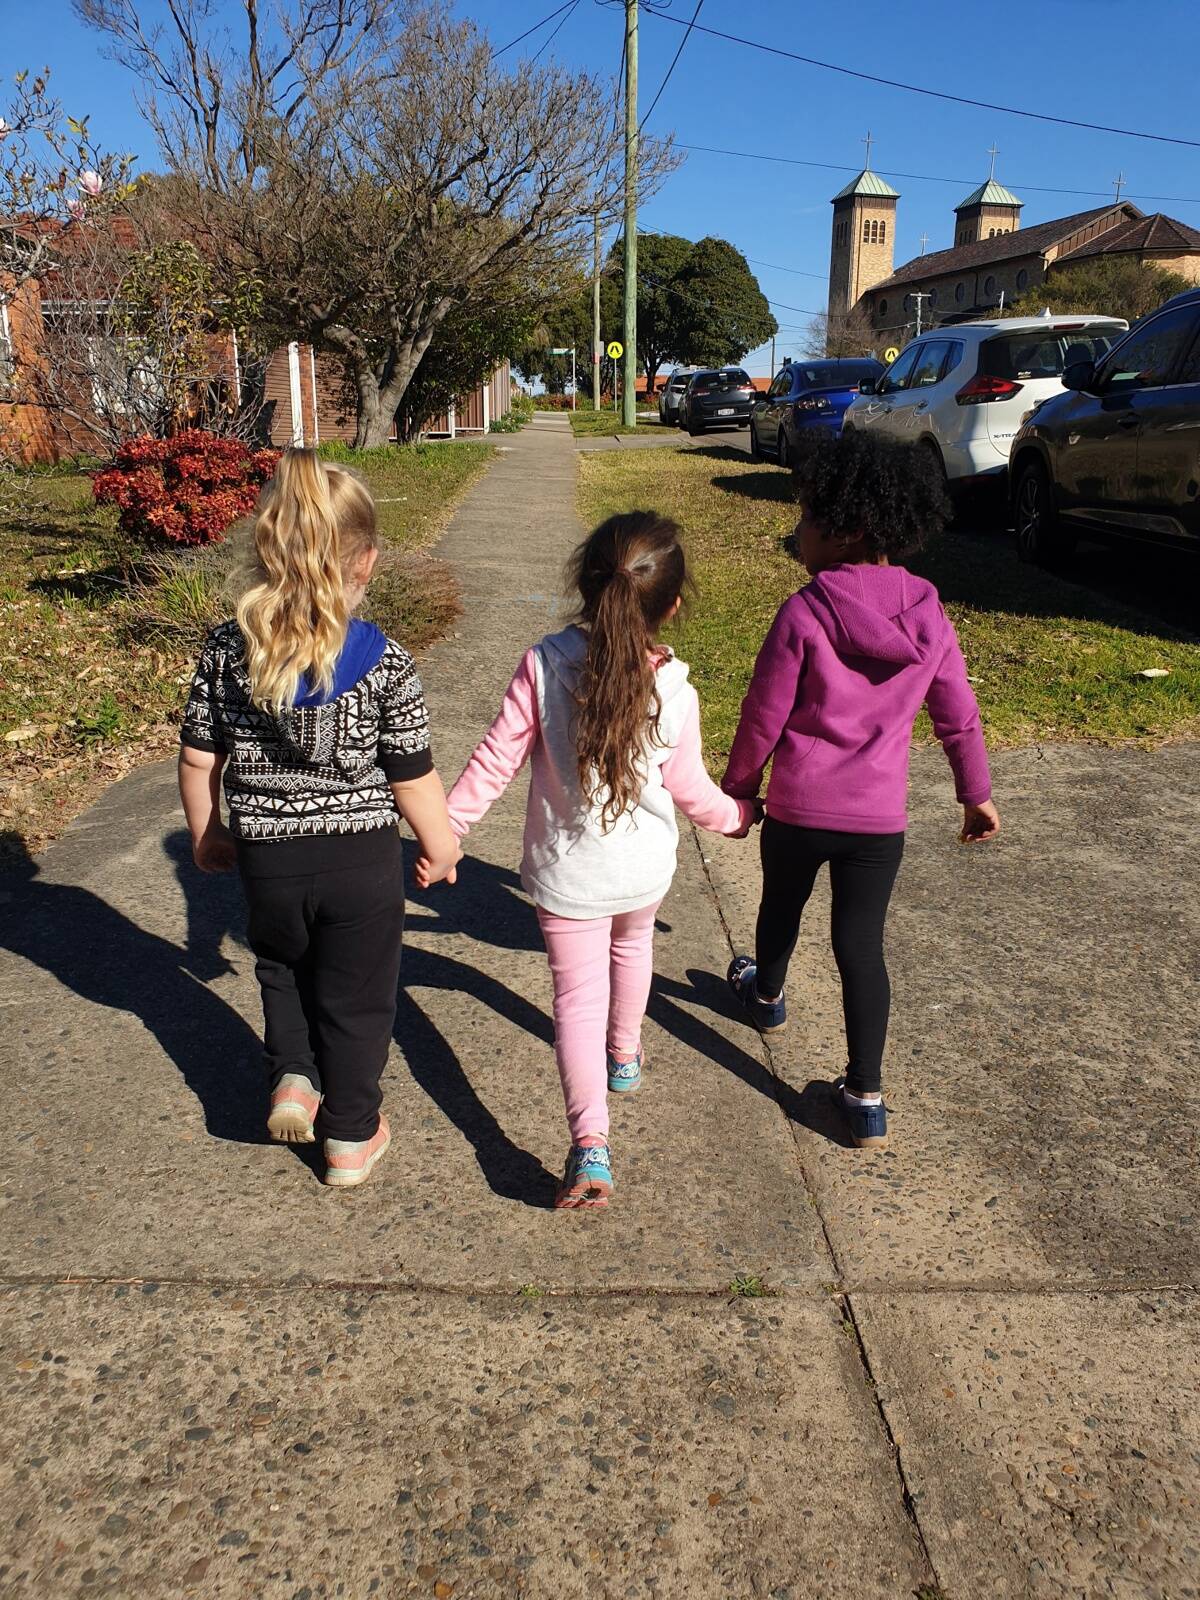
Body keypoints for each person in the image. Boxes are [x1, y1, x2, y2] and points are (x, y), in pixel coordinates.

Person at [440, 512, 757, 1209]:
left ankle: (591, 1144)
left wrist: (448, 831)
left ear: (586, 584)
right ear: (672, 604)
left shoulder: (544, 665)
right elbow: (693, 790)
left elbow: (494, 762)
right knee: (633, 946)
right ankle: (625, 1056)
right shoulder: (674, 690)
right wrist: (739, 818)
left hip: (568, 878)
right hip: (643, 871)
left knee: (574, 1004)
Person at [178, 449, 460, 1188]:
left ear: (267, 550)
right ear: (365, 561)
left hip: (269, 858)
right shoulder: (387, 663)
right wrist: (442, 841)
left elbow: (199, 759)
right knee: (358, 999)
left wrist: (210, 830)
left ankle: (294, 1078)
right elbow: (413, 776)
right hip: (361, 860)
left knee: (281, 965)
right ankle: (350, 1136)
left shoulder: (225, 652)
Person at [721, 431, 1000, 1152]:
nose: (797, 532)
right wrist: (976, 792)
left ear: (845, 526)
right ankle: (866, 1096)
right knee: (859, 945)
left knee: (781, 904)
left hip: (798, 808)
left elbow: (764, 714)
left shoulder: (805, 611)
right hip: (878, 821)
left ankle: (767, 996)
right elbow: (956, 712)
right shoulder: (930, 612)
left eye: (806, 518)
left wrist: (741, 791)